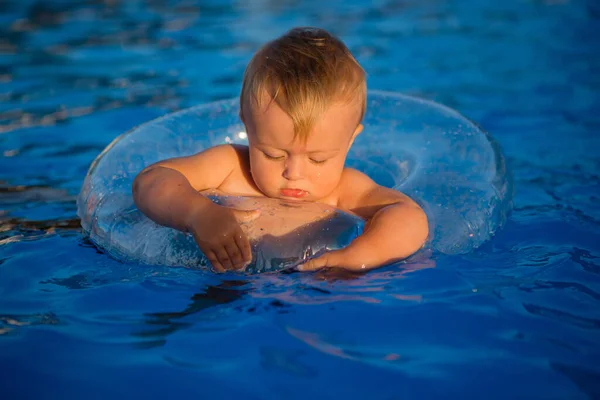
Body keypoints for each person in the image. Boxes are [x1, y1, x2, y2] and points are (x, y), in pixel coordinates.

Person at [132, 27, 428, 273]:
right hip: (225, 287)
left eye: (318, 158)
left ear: (350, 141)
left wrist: (356, 258)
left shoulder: (346, 190)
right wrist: (198, 213)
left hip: (313, 290)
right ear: (247, 127)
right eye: (273, 154)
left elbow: (409, 216)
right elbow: (152, 179)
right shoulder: (230, 166)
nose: (294, 173)